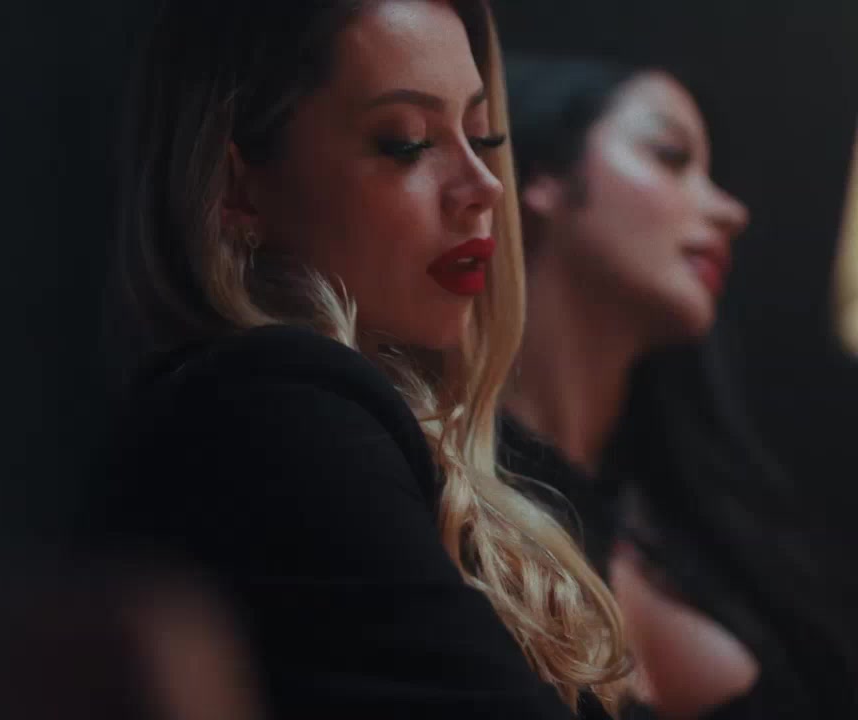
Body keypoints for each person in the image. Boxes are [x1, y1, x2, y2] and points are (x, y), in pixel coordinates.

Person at [90, 2, 632, 717]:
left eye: (482, 136)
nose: (485, 185)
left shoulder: (395, 436)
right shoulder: (273, 412)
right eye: (405, 142)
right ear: (238, 187)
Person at [502, 55, 857, 718]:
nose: (732, 212)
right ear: (543, 176)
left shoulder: (691, 516)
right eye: (670, 156)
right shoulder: (435, 489)